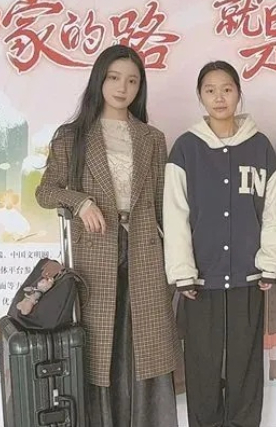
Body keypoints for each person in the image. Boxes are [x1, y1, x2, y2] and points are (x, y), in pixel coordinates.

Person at [35, 44, 179, 427]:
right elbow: (45, 191)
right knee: (101, 350)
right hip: (95, 255)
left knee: (146, 347)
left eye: (132, 81)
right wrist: (80, 202)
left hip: (146, 251)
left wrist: (180, 260)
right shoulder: (72, 136)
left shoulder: (152, 138)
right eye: (114, 78)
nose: (122, 87)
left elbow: (164, 206)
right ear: (99, 79)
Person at [163, 60, 276, 427]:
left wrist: (270, 262)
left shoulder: (260, 147)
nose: (219, 97)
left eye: (227, 89)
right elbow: (175, 214)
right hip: (201, 282)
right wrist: (182, 272)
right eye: (210, 90)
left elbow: (273, 211)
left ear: (239, 93)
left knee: (245, 369)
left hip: (249, 278)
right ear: (200, 97)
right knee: (202, 368)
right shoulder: (186, 149)